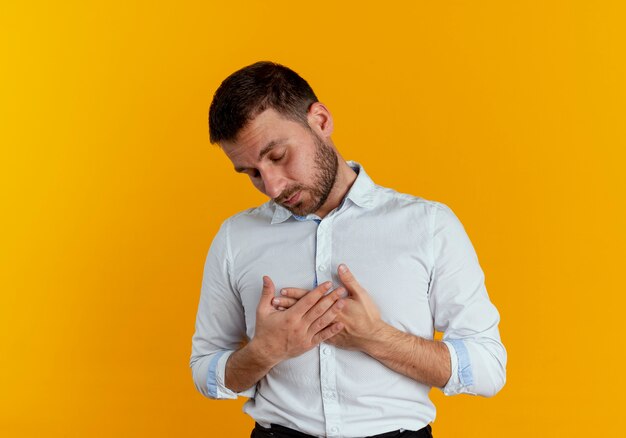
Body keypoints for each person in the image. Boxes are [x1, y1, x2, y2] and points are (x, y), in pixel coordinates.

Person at [190, 61, 507, 438]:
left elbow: (488, 368)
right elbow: (204, 369)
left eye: (277, 156)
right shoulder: (235, 237)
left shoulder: (429, 225)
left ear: (321, 121)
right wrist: (266, 350)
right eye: (252, 173)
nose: (272, 187)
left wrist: (375, 336)